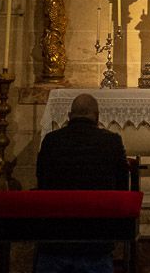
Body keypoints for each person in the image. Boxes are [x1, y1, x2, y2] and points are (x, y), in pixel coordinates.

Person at [35, 93, 130, 273]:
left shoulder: (51, 142)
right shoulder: (111, 142)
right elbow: (121, 190)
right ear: (97, 117)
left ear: (70, 116)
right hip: (96, 239)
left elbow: (42, 182)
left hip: (56, 238)